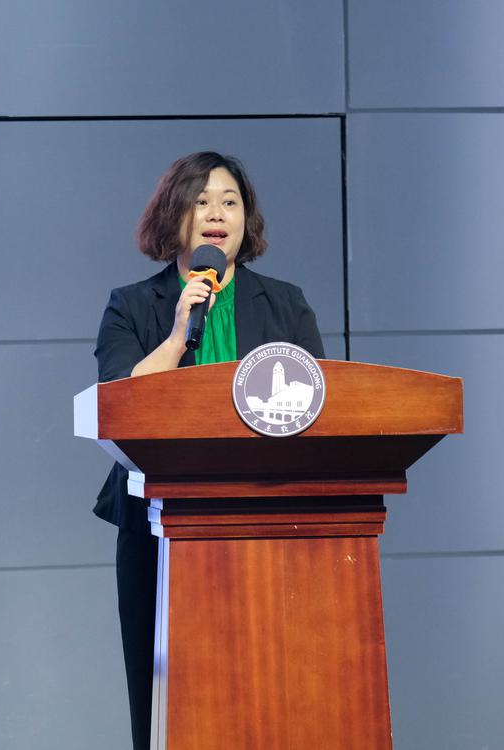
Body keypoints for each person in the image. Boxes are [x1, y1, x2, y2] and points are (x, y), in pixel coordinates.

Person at [93, 151, 325, 750]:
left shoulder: (286, 304)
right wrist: (178, 334)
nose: (217, 214)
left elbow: (319, 411)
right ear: (173, 214)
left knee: (271, 691)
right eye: (201, 202)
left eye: (230, 202)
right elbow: (119, 406)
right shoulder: (131, 306)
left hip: (269, 523)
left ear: (247, 219)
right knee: (166, 699)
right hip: (155, 528)